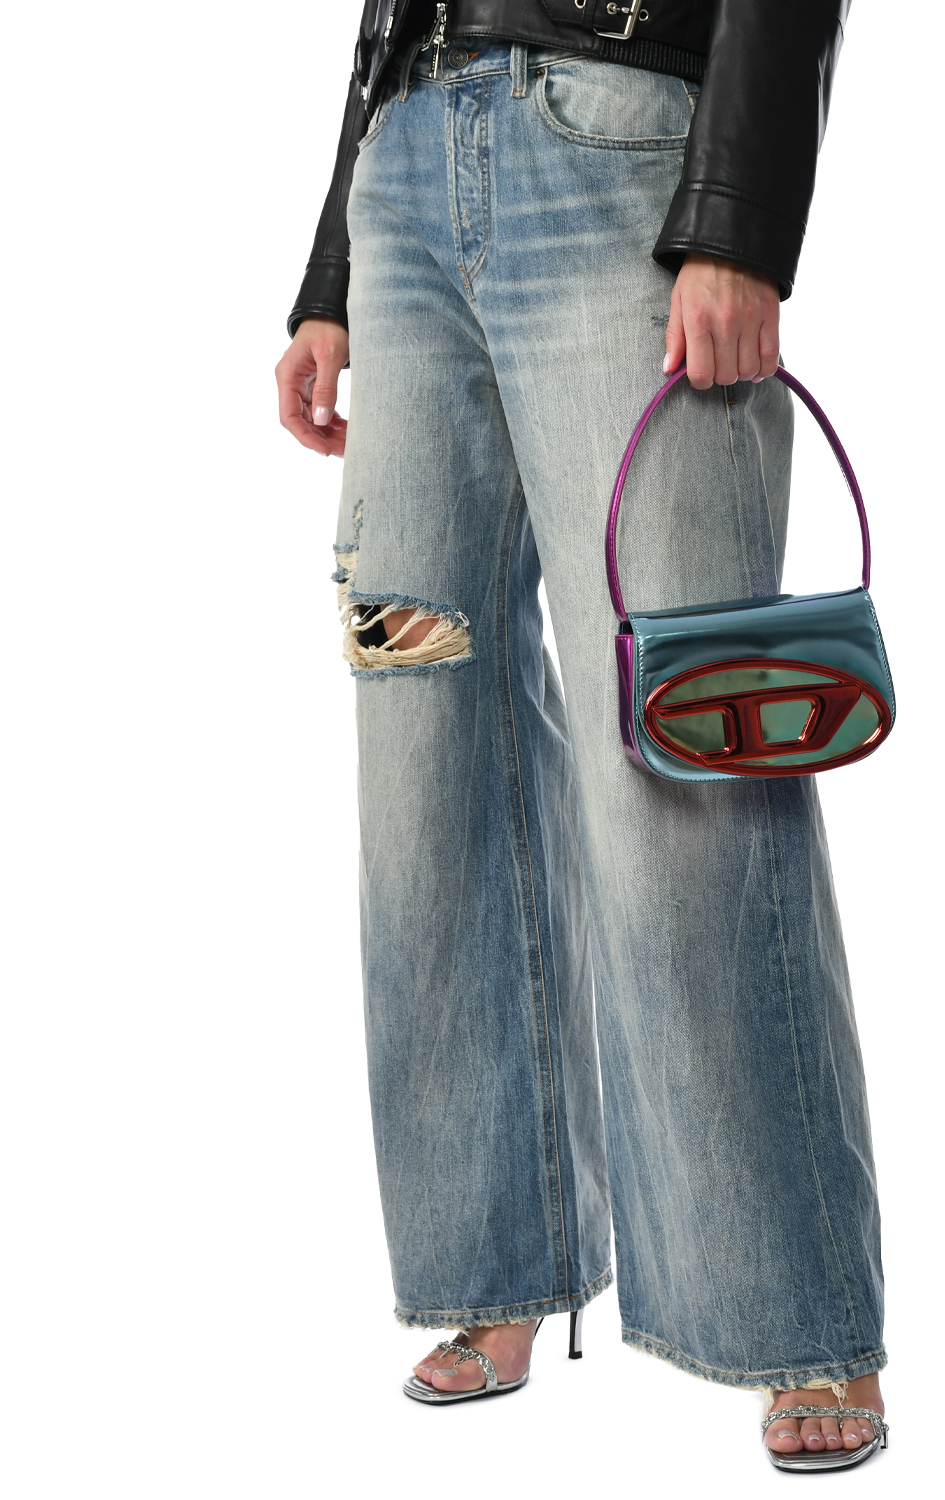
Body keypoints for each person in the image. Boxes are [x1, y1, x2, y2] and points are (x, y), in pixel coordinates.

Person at [275, 0, 886, 1471]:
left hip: (617, 143)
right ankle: (494, 1256)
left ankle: (794, 1320)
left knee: (686, 761)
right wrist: (332, 272)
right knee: (425, 766)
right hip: (408, 166)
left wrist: (739, 220)